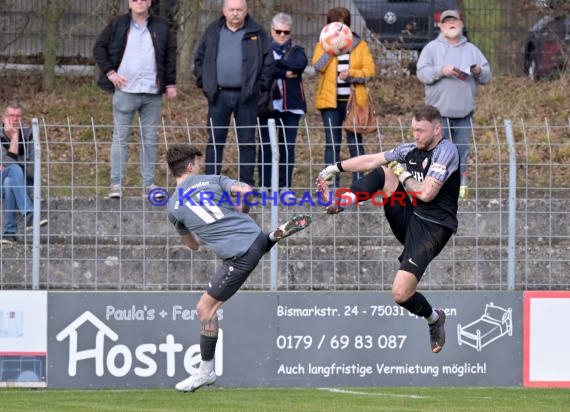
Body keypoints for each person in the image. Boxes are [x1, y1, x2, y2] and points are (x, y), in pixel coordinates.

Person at [166, 144, 311, 392]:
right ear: (190, 166)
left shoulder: (172, 207)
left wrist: (201, 237)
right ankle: (271, 237)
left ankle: (205, 372)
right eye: (196, 163)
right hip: (251, 236)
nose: (199, 167)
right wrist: (242, 211)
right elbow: (245, 190)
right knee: (255, 245)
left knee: (205, 309)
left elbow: (191, 245)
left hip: (238, 255)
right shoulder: (212, 180)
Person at [317, 105, 459, 354]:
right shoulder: (409, 149)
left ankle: (435, 319)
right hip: (410, 216)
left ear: (437, 129)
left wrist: (402, 174)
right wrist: (333, 168)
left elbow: (426, 193)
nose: (415, 135)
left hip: (433, 228)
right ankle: (343, 201)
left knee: (401, 294)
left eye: (421, 131)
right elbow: (372, 160)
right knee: (384, 172)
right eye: (413, 129)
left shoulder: (446, 151)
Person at [93, 0, 177, 199]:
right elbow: (99, 48)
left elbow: (170, 55)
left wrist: (171, 83)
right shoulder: (117, 24)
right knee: (120, 138)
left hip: (152, 91)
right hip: (125, 91)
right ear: (129, 3)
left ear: (149, 2)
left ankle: (149, 185)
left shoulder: (162, 26)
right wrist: (110, 72)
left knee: (150, 139)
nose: (139, 2)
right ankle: (116, 185)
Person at [194, 0, 273, 187]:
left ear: (246, 11)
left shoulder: (257, 33)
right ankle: (211, 184)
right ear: (224, 11)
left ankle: (246, 185)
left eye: (239, 10)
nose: (235, 13)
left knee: (246, 143)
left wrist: (258, 87)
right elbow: (199, 59)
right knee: (215, 141)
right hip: (218, 95)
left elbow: (268, 63)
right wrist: (205, 83)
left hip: (247, 96)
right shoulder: (212, 31)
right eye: (232, 10)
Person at [416, 9, 491, 198]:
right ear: (440, 26)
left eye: (454, 21)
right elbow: (422, 74)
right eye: (447, 21)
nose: (451, 24)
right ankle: (434, 185)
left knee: (461, 150)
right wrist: (442, 71)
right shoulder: (431, 48)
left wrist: (477, 71)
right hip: (438, 114)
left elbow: (487, 76)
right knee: (437, 150)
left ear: (461, 24)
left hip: (465, 112)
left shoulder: (472, 49)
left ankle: (460, 184)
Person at [312, 6, 376, 188]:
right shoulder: (323, 44)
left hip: (354, 103)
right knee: (332, 144)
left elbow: (369, 72)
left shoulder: (359, 45)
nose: (337, 31)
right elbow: (317, 66)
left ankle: (359, 186)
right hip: (330, 103)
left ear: (347, 26)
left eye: (341, 26)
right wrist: (330, 50)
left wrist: (351, 74)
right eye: (333, 25)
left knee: (355, 144)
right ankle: (331, 186)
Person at [257, 12, 308, 200]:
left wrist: (276, 66)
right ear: (271, 30)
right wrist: (284, 72)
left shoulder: (297, 49)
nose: (281, 35)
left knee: (287, 147)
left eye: (286, 32)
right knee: (266, 146)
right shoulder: (263, 48)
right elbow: (262, 68)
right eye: (278, 31)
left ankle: (285, 185)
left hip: (291, 106)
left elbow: (299, 65)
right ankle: (265, 185)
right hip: (267, 106)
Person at [0, 102, 48, 244]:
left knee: (11, 180)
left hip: (23, 184)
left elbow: (34, 169)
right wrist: (14, 138)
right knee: (13, 171)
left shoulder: (29, 135)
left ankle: (10, 232)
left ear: (22, 118)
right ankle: (29, 214)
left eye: (18, 116)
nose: (14, 119)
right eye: (11, 115)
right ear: (3, 118)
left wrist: (10, 166)